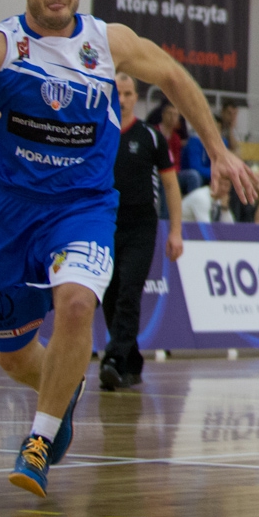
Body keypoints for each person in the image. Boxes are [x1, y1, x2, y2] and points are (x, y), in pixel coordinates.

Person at [0, 0, 250, 497]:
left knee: (78, 301)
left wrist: (219, 150)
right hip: (10, 210)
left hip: (82, 208)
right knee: (13, 356)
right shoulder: (5, 45)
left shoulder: (106, 41)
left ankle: (39, 439)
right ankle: (63, 389)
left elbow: (176, 77)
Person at [100, 72, 184, 391]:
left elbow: (171, 185)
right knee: (109, 294)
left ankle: (113, 359)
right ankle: (130, 360)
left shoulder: (150, 136)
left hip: (141, 226)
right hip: (106, 223)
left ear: (137, 98)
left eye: (128, 94)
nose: (121, 100)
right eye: (117, 94)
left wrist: (175, 231)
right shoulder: (99, 133)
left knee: (129, 292)